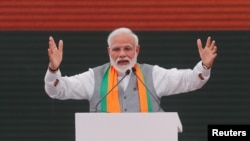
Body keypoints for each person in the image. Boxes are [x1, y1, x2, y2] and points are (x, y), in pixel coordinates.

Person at [44, 27, 217, 113]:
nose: (122, 54)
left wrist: (204, 66)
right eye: (116, 49)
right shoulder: (94, 77)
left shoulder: (152, 74)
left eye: (127, 48)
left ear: (137, 50)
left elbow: (190, 80)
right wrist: (54, 68)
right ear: (108, 52)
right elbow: (57, 90)